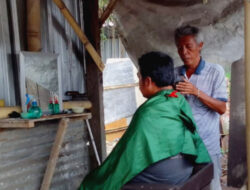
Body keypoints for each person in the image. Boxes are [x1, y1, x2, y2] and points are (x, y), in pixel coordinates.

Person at [79, 51, 211, 190]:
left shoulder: (148, 112)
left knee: (108, 179)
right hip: (185, 169)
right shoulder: (177, 99)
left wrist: (101, 176)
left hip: (164, 176)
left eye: (139, 77)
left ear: (147, 81)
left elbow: (128, 155)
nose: (138, 83)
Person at [174, 25, 228, 190]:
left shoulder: (215, 72)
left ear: (200, 46)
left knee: (210, 186)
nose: (184, 52)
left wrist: (196, 92)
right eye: (180, 48)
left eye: (189, 47)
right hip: (182, 148)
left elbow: (221, 108)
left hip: (207, 145)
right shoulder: (175, 73)